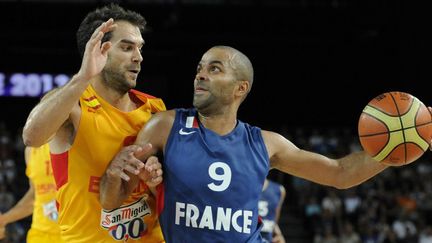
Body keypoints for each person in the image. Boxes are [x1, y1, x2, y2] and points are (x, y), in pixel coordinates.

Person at [100, 45, 422, 242]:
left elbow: (339, 173)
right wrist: (128, 177)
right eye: (199, 69)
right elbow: (115, 201)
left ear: (240, 88)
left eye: (214, 69)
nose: (200, 75)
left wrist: (398, 149)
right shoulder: (165, 126)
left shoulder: (266, 144)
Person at [22, 3, 165, 243]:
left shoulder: (154, 108)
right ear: (98, 49)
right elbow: (32, 137)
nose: (138, 57)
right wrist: (83, 76)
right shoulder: (74, 107)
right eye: (127, 47)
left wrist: (155, 178)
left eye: (140, 48)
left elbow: (167, 185)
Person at [0, 144, 64, 243]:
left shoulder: (76, 139)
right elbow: (34, 197)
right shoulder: (31, 150)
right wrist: (3, 219)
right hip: (40, 234)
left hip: (73, 233)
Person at [259, 178, 286, 243]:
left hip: (267, 237)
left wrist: (279, 235)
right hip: (249, 237)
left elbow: (274, 221)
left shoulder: (279, 190)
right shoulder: (244, 187)